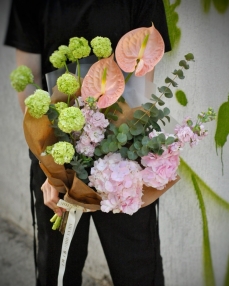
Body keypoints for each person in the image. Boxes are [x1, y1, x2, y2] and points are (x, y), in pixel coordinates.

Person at [4, 0, 171, 285]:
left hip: (122, 159)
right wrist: (52, 162)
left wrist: (103, 153)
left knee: (138, 269)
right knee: (57, 270)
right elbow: (29, 81)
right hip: (53, 156)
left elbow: (141, 84)